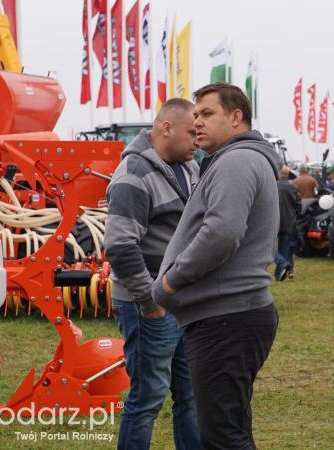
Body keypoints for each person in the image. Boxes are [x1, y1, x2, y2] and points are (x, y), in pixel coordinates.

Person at [151, 82, 281, 450]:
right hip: (229, 314)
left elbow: (221, 233)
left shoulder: (237, 161)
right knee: (230, 428)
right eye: (195, 116)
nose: (197, 124)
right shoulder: (238, 159)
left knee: (222, 437)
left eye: (207, 114)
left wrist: (171, 282)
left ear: (236, 117)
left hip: (226, 317)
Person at [104, 98, 202, 450]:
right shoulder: (134, 173)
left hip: (181, 303)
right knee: (146, 400)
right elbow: (118, 245)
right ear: (166, 128)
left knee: (191, 396)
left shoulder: (189, 168)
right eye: (192, 132)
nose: (198, 139)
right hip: (150, 308)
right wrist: (150, 302)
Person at [275, 165, 301, 281]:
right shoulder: (293, 187)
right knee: (284, 248)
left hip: (274, 220)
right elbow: (298, 206)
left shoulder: (273, 185)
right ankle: (280, 272)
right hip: (289, 221)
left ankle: (282, 264)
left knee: (268, 248)